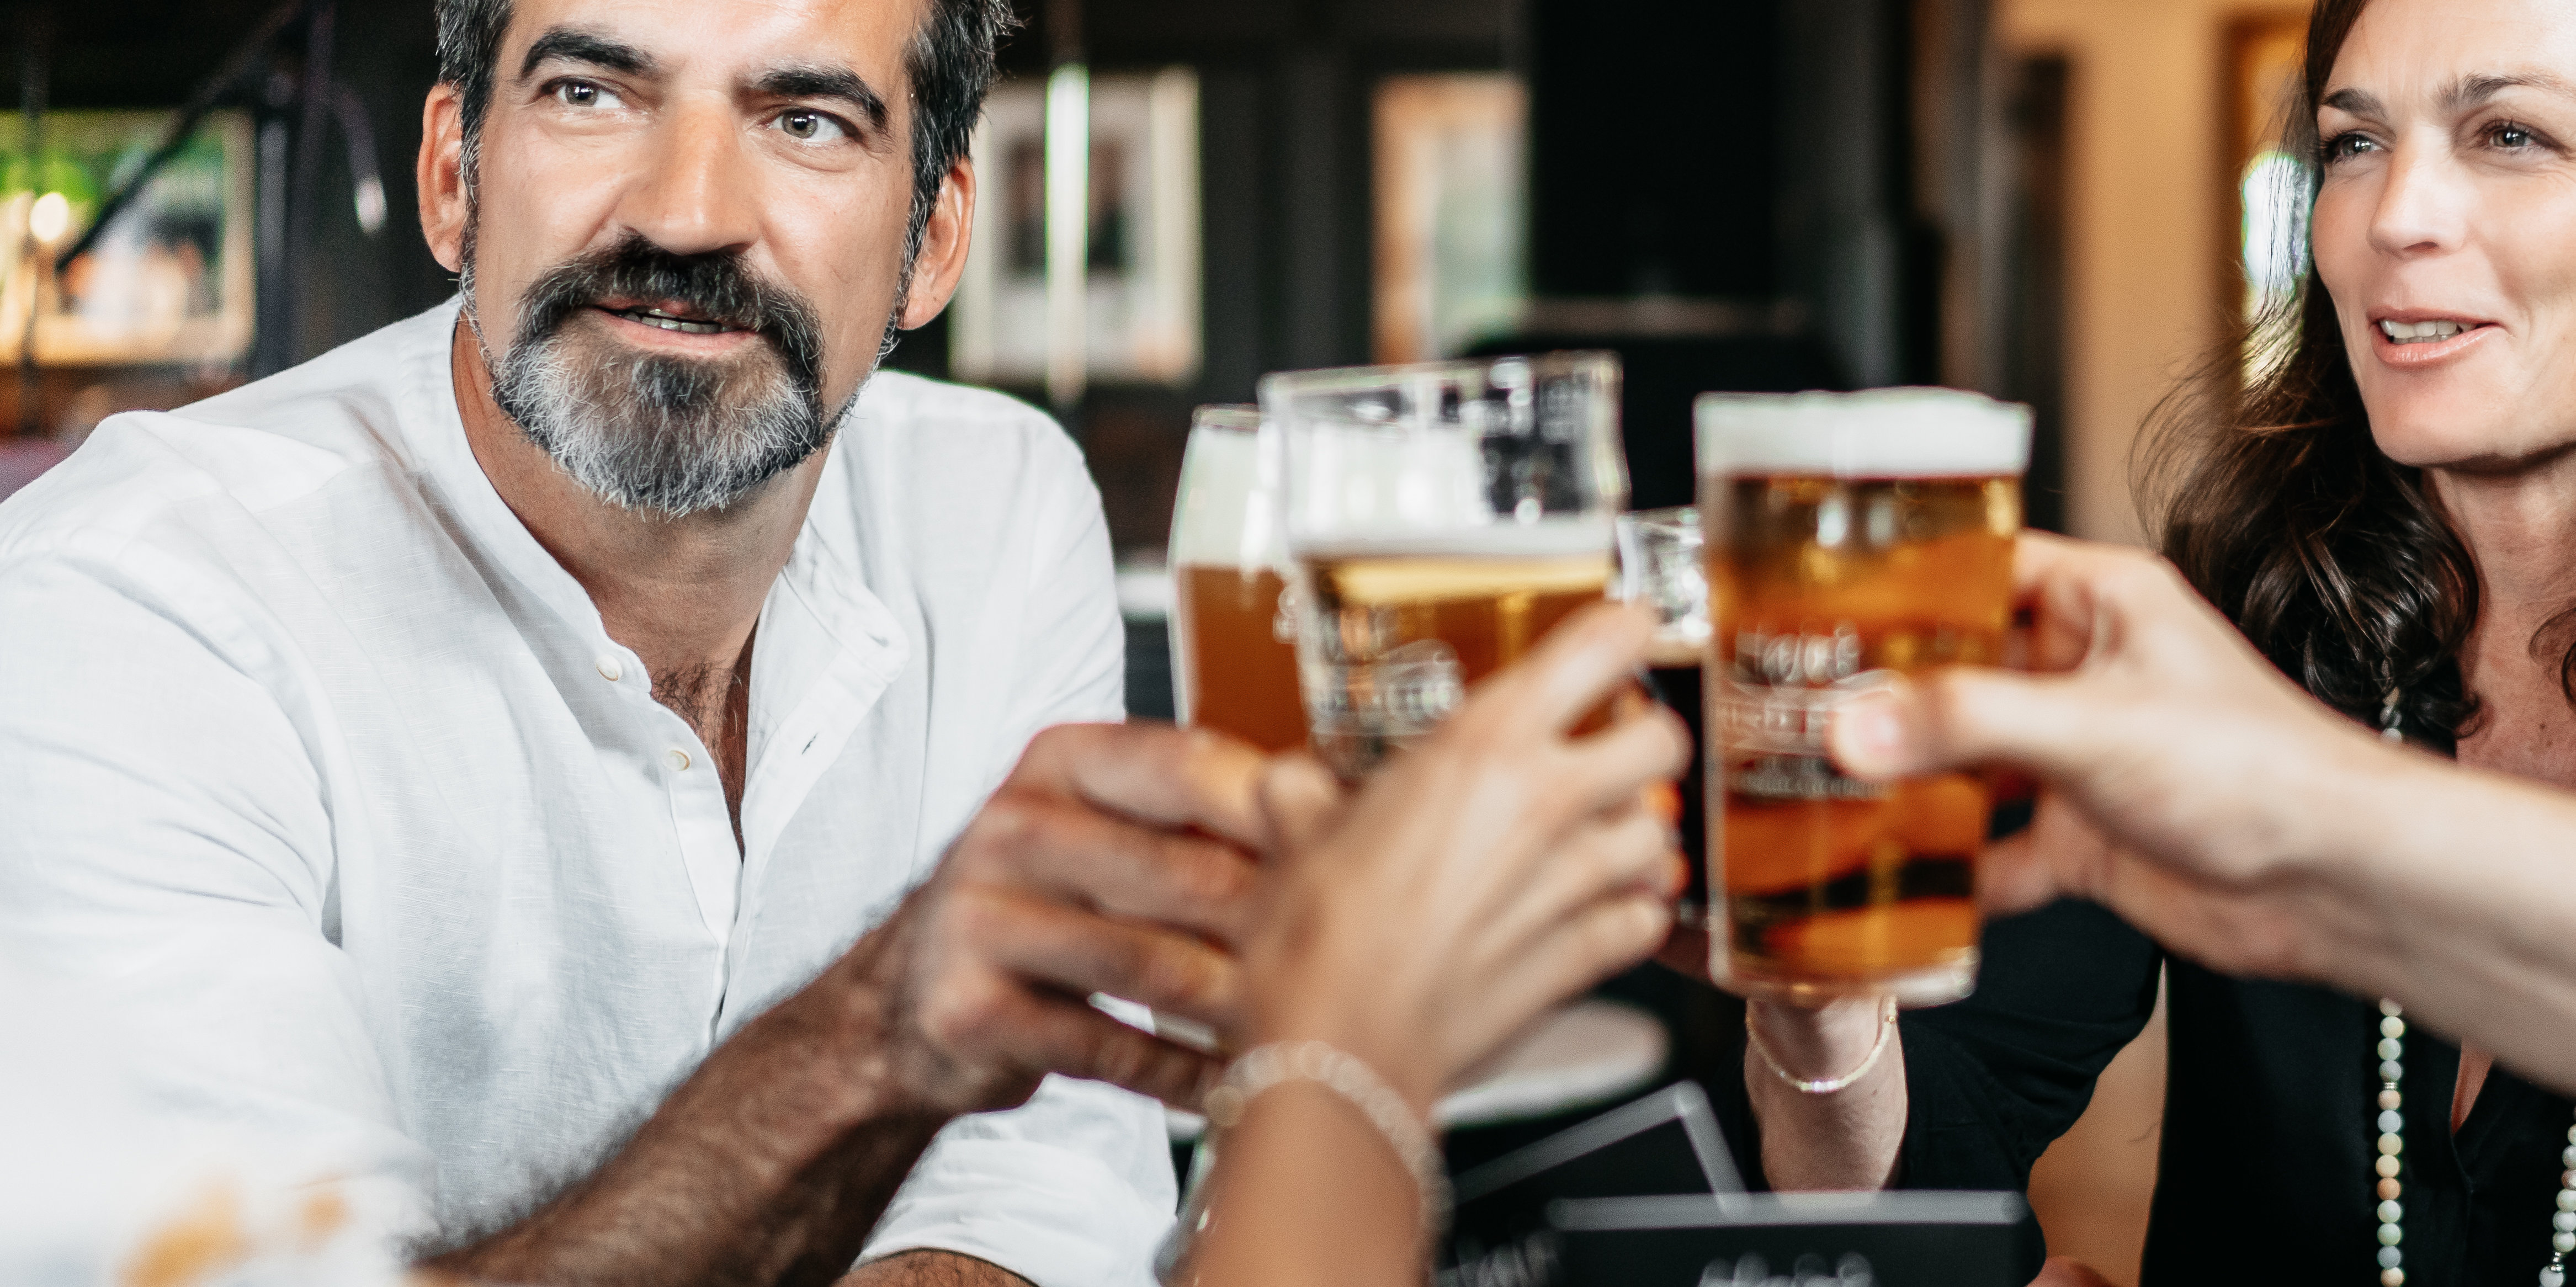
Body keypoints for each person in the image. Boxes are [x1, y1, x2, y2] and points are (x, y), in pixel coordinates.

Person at [0, 0, 1219, 1283]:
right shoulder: (133, 601)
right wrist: (875, 1035)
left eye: (805, 121)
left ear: (936, 238)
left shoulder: (997, 505)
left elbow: (1040, 1173)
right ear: (452, 179)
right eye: (591, 95)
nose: (686, 213)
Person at [1733, 1, 2576, 1283]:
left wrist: (2299, 803)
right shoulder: (2247, 614)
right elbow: (1915, 1181)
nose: (2395, 213)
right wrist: (1821, 983)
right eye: (2352, 145)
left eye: (2510, 132)